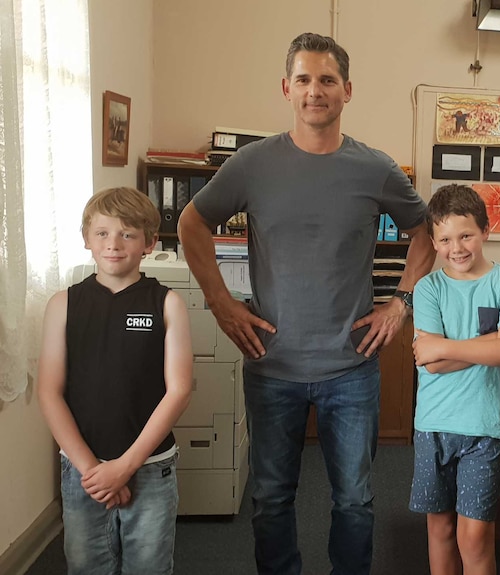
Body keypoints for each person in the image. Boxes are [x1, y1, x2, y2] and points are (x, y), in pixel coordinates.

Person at [177, 32, 435, 575]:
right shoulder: (251, 164)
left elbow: (425, 232)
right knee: (271, 501)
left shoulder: (376, 169)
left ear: (347, 90)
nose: (315, 90)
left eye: (326, 80)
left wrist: (400, 302)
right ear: (286, 89)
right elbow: (191, 223)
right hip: (273, 364)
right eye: (303, 79)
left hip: (352, 368)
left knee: (356, 502)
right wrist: (221, 304)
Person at [37, 186, 193, 575]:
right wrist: (94, 470)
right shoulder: (63, 304)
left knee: (149, 567)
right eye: (103, 233)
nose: (114, 244)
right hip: (82, 469)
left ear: (149, 242)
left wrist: (125, 467)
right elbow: (49, 392)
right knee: (87, 566)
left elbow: (179, 389)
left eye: (128, 233)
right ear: (87, 239)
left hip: (150, 466)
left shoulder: (167, 302)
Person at [410, 184, 500, 575]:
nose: (456, 247)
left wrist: (447, 347)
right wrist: (490, 342)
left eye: (466, 235)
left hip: (485, 424)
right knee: (439, 528)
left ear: (486, 231)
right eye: (445, 239)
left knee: (474, 537)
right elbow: (430, 364)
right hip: (434, 424)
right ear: (433, 241)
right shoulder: (428, 288)